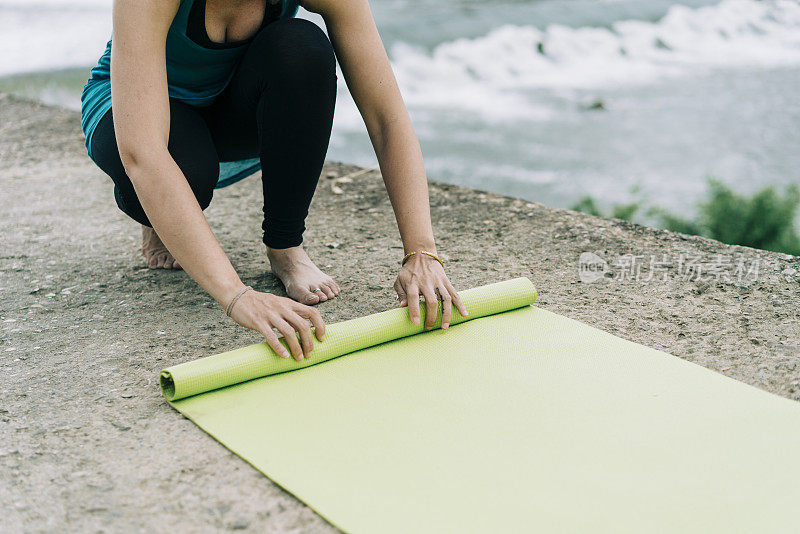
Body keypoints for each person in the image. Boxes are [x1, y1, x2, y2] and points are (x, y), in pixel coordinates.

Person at [80, 0, 468, 362]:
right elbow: (143, 155)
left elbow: (387, 120)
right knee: (183, 172)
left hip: (233, 100)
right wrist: (237, 296)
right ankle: (155, 220)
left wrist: (422, 253)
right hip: (136, 112)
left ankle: (286, 248)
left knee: (302, 46)